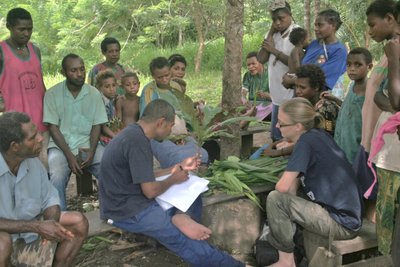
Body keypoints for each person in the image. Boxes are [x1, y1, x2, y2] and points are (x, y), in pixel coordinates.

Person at [98, 99, 246, 267]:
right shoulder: (138, 142)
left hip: (128, 201)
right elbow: (150, 191)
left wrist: (175, 169)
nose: (171, 131)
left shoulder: (134, 134)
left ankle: (181, 216)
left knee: (192, 190)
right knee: (182, 239)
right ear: (161, 122)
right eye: (170, 126)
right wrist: (173, 179)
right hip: (126, 211)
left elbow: (142, 175)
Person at [266, 97, 362, 267]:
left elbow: (281, 187)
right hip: (347, 215)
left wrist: (289, 194)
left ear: (297, 126)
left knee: (275, 199)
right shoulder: (317, 135)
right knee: (290, 195)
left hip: (341, 223)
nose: (277, 126)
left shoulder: (304, 143)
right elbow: (295, 181)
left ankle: (286, 261)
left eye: (281, 123)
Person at [0, 111, 88, 267]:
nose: (41, 138)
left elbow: (50, 200)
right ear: (15, 146)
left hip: (29, 232)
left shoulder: (33, 163)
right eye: (33, 137)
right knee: (2, 243)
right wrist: (38, 227)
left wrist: (51, 225)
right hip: (8, 236)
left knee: (78, 222)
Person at [44, 54, 108, 211]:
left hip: (87, 144)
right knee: (57, 173)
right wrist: (70, 156)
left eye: (82, 69)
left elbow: (96, 125)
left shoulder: (93, 93)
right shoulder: (52, 94)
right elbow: (52, 127)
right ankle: (60, 216)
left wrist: (92, 151)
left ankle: (112, 210)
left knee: (109, 167)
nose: (80, 74)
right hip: (60, 147)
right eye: (73, 70)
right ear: (63, 72)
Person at [362, 0, 400, 261]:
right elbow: (381, 98)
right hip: (388, 142)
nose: (370, 31)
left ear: (390, 18)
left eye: (372, 24)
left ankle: (390, 257)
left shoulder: (394, 48)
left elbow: (395, 100)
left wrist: (395, 57)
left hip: (394, 151)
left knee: (389, 210)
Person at [0, 8, 49, 168]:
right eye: (21, 29)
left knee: (43, 169)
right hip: (17, 129)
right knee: (18, 171)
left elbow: (41, 83)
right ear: (9, 26)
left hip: (41, 123)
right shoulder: (2, 52)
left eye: (30, 29)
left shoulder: (35, 50)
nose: (26, 33)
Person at [283, 9, 348, 99]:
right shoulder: (314, 44)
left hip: (318, 102)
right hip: (300, 98)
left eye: (320, 25)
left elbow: (321, 81)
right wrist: (288, 76)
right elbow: (302, 69)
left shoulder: (339, 51)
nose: (316, 28)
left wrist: (291, 81)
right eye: (315, 25)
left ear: (333, 25)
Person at [257, 1, 298, 141]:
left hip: (290, 94)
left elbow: (296, 65)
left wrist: (273, 50)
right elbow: (261, 58)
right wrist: (270, 32)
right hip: (276, 96)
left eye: (281, 18)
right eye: (274, 20)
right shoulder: (273, 34)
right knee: (275, 136)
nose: (278, 23)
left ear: (290, 15)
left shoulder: (296, 33)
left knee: (288, 136)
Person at [333, 48, 373, 164]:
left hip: (357, 143)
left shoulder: (370, 90)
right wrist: (334, 99)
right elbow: (350, 108)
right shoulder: (352, 86)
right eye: (349, 65)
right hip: (342, 141)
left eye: (358, 65)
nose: (352, 69)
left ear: (369, 67)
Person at [96, 70, 123, 145]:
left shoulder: (115, 99)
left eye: (113, 85)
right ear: (100, 88)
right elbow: (103, 127)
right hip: (103, 135)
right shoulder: (101, 103)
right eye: (107, 86)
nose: (111, 89)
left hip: (113, 131)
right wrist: (116, 137)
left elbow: (117, 122)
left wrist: (118, 106)